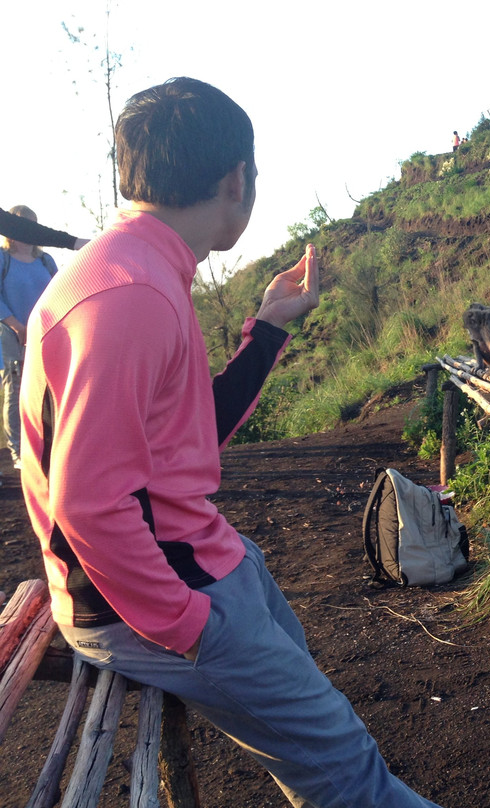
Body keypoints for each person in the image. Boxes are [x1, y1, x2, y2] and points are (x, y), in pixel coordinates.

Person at [19, 77, 441, 808]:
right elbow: (90, 506)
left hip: (196, 561)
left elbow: (183, 438)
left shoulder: (136, 268)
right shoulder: (131, 298)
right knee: (354, 775)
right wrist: (189, 626)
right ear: (237, 180)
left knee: (317, 713)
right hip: (152, 598)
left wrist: (268, 328)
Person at [0, 206, 60, 475]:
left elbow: (60, 292)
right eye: (22, 224)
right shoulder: (3, 259)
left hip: (46, 337)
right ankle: (18, 452)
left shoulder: (46, 260)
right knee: (16, 393)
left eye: (33, 224)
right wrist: (17, 326)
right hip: (12, 336)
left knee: (49, 392)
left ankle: (47, 446)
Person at [0, 209, 90, 251]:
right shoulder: (3, 259)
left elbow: (17, 227)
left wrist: (74, 242)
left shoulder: (46, 261)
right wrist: (73, 242)